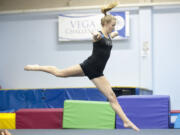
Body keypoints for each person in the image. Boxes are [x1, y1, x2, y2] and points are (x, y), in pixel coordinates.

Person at [24, 0, 140, 132]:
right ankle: (37, 67)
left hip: (98, 72)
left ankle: (125, 121)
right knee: (59, 73)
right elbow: (97, 38)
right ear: (106, 24)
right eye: (112, 25)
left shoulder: (108, 36)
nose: (114, 27)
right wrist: (96, 36)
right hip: (89, 66)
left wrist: (114, 34)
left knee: (112, 96)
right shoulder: (99, 35)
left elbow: (110, 38)